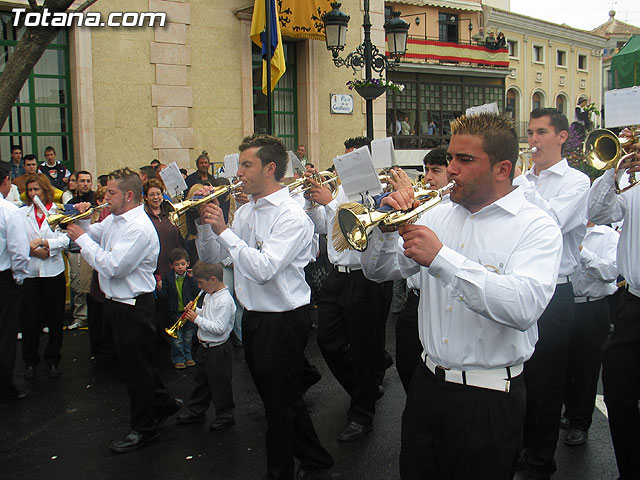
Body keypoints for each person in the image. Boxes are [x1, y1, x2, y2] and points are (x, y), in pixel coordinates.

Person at [360, 113, 563, 480]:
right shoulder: (437, 214)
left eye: (464, 160)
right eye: (451, 158)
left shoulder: (536, 225)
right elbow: (379, 272)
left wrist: (442, 259)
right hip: (426, 386)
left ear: (503, 170)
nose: (450, 169)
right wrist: (385, 228)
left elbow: (524, 307)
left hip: (488, 398)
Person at [196, 134, 333, 479]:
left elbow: (262, 270)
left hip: (284, 320)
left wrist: (224, 229)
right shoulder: (245, 211)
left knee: (278, 406)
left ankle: (280, 472)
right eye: (239, 164)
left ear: (270, 169)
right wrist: (207, 225)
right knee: (282, 398)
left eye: (246, 165)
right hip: (255, 317)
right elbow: (217, 259)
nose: (238, 172)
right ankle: (316, 460)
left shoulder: (292, 216)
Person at [66, 167, 182, 454]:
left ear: (128, 196)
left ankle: (144, 429)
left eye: (111, 192)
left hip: (134, 306)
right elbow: (92, 233)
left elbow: (112, 266)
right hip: (118, 304)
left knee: (135, 371)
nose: (105, 197)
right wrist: (80, 221)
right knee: (137, 363)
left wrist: (80, 237)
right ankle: (163, 403)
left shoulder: (138, 227)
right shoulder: (116, 219)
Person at [513, 108, 590, 480]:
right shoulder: (524, 179)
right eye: (530, 133)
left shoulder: (576, 182)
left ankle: (541, 460)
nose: (533, 141)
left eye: (541, 132)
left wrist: (522, 185)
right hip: (520, 284)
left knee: (546, 382)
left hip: (556, 292)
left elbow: (553, 223)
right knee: (520, 373)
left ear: (562, 137)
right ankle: (522, 447)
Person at [306, 136, 392, 442]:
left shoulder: (377, 190)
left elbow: (358, 227)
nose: (344, 165)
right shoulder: (340, 188)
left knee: (364, 348)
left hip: (362, 277)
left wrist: (330, 203)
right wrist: (312, 201)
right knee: (328, 343)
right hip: (336, 276)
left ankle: (362, 414)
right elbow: (321, 226)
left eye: (352, 159)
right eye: (343, 159)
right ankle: (364, 388)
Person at [587, 134, 640, 479]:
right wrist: (614, 171)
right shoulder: (633, 194)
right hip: (633, 305)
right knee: (618, 391)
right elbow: (596, 211)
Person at [395, 145, 450, 393]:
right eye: (426, 170)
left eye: (436, 171)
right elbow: (399, 263)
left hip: (441, 299)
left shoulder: (449, 209)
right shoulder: (423, 204)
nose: (428, 177)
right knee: (406, 364)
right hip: (414, 298)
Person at [562, 220, 619, 446]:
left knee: (586, 366)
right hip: (564, 304)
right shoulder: (563, 231)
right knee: (561, 362)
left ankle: (580, 422)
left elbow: (610, 272)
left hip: (592, 307)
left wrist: (582, 252)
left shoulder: (607, 236)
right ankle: (568, 410)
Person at [19, 173, 69, 379]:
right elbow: (16, 240)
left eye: (36, 190)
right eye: (30, 190)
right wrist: (32, 250)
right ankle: (30, 362)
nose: (32, 194)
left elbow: (66, 239)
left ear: (45, 190)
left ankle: (52, 360)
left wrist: (47, 245)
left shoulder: (57, 212)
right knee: (30, 319)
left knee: (55, 318)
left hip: (52, 271)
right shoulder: (22, 214)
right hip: (31, 273)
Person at [176, 261, 236, 430]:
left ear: (213, 279)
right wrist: (197, 311)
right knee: (201, 382)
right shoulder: (210, 295)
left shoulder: (224, 301)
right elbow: (209, 316)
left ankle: (226, 416)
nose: (199, 286)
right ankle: (196, 412)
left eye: (201, 282)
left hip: (218, 350)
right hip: (205, 347)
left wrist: (197, 319)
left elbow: (219, 328)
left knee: (220, 384)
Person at [0, 162, 30, 404]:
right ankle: (5, 387)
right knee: (5, 334)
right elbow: (19, 251)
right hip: (4, 279)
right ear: (7, 180)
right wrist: (19, 277)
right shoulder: (9, 211)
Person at [157, 248, 199, 370]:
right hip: (175, 313)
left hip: (188, 313)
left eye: (182, 264)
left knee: (188, 337)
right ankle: (178, 359)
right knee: (177, 339)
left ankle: (188, 356)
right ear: (171, 266)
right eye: (176, 265)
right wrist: (159, 289)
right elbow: (164, 296)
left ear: (188, 264)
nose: (180, 267)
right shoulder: (168, 278)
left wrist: (192, 278)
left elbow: (196, 291)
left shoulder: (190, 277)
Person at [66, 171, 97, 330]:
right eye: (82, 181)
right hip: (76, 249)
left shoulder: (96, 200)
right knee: (78, 285)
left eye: (88, 181)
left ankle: (93, 317)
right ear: (76, 183)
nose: (85, 184)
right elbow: (65, 226)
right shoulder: (71, 203)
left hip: (94, 248)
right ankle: (80, 317)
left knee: (93, 286)